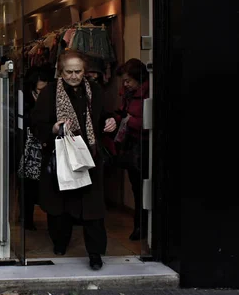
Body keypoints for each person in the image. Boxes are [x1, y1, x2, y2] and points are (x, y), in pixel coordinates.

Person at [31, 49, 117, 270]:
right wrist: (53, 127)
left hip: (89, 157)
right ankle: (60, 242)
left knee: (92, 209)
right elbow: (37, 124)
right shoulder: (49, 92)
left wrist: (110, 121)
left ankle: (95, 254)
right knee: (59, 206)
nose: (73, 76)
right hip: (61, 156)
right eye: (68, 72)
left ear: (84, 71)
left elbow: (105, 114)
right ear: (61, 71)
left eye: (78, 71)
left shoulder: (94, 90)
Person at [114, 58, 150, 241]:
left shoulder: (148, 94)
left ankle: (144, 226)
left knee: (145, 189)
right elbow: (122, 113)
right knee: (137, 189)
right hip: (131, 145)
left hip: (144, 147)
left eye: (128, 80)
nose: (125, 84)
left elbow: (148, 122)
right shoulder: (129, 94)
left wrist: (128, 121)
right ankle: (139, 226)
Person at [20, 67, 54, 231]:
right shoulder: (24, 102)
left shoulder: (54, 100)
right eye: (39, 90)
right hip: (29, 149)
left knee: (49, 186)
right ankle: (27, 218)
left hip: (48, 148)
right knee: (28, 186)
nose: (43, 94)